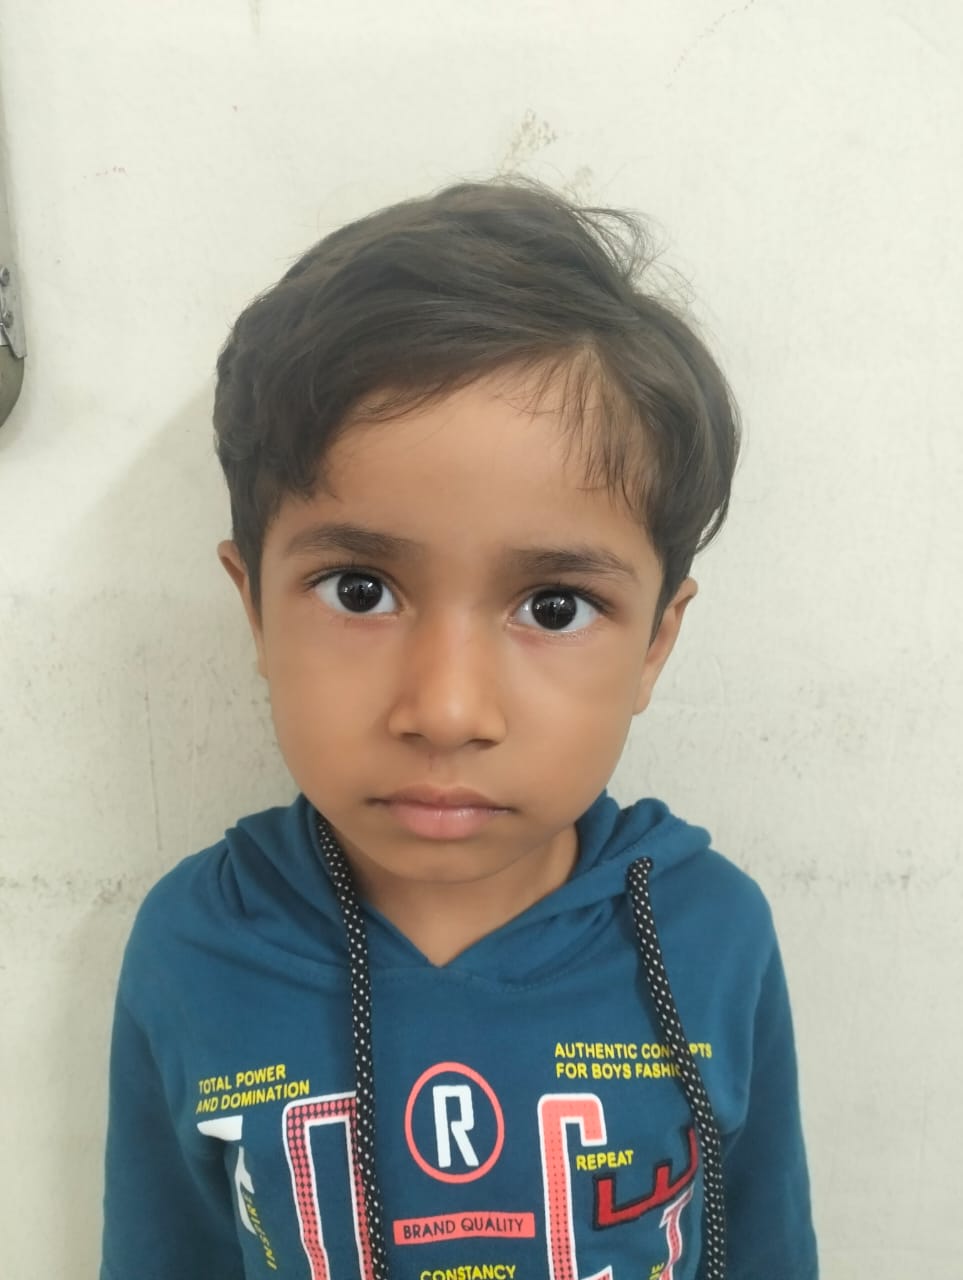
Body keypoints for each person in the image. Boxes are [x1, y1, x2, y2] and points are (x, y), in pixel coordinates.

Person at [100, 177, 817, 1280]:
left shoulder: (711, 933)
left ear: (655, 643)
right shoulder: (195, 945)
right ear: (254, 608)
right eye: (358, 590)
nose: (444, 710)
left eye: (555, 606)